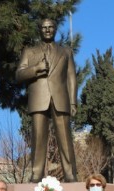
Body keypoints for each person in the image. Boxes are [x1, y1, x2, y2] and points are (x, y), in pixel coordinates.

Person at [16, 18, 78, 182]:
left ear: (55, 29)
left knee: (65, 137)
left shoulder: (66, 52)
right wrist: (36, 69)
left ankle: (70, 173)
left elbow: (71, 77)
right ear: (39, 30)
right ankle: (36, 173)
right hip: (38, 98)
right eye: (44, 28)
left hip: (61, 98)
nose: (48, 30)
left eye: (51, 27)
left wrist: (73, 101)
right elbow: (19, 74)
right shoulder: (29, 51)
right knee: (38, 137)